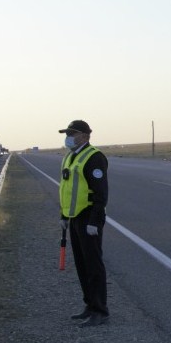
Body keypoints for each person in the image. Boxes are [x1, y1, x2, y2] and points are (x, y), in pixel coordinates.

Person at [58, 120, 109, 327]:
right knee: (81, 264)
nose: (69, 137)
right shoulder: (70, 157)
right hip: (75, 217)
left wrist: (94, 222)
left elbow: (101, 193)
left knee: (94, 265)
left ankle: (100, 310)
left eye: (73, 133)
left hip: (89, 217)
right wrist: (63, 216)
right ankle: (89, 304)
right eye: (67, 133)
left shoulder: (94, 157)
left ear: (86, 136)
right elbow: (66, 189)